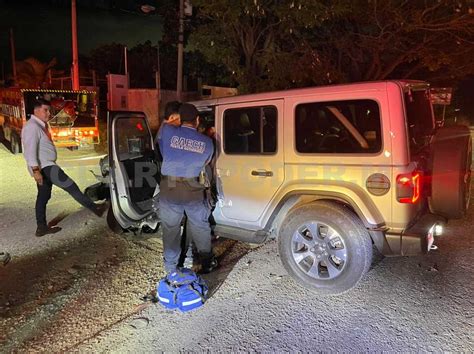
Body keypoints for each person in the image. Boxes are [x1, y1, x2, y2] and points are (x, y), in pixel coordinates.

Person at [21, 98, 107, 237]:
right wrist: (36, 171)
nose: (49, 113)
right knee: (71, 186)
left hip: (44, 167)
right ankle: (95, 208)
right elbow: (29, 151)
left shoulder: (39, 125)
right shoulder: (32, 127)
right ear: (36, 111)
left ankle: (41, 227)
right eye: (46, 110)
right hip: (46, 167)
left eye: (49, 110)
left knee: (43, 196)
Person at [157, 103, 217, 274]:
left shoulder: (168, 131)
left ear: (180, 119)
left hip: (170, 187)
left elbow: (164, 131)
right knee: (200, 226)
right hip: (193, 187)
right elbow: (206, 163)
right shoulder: (207, 143)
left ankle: (171, 268)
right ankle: (207, 263)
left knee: (171, 229)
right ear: (197, 120)